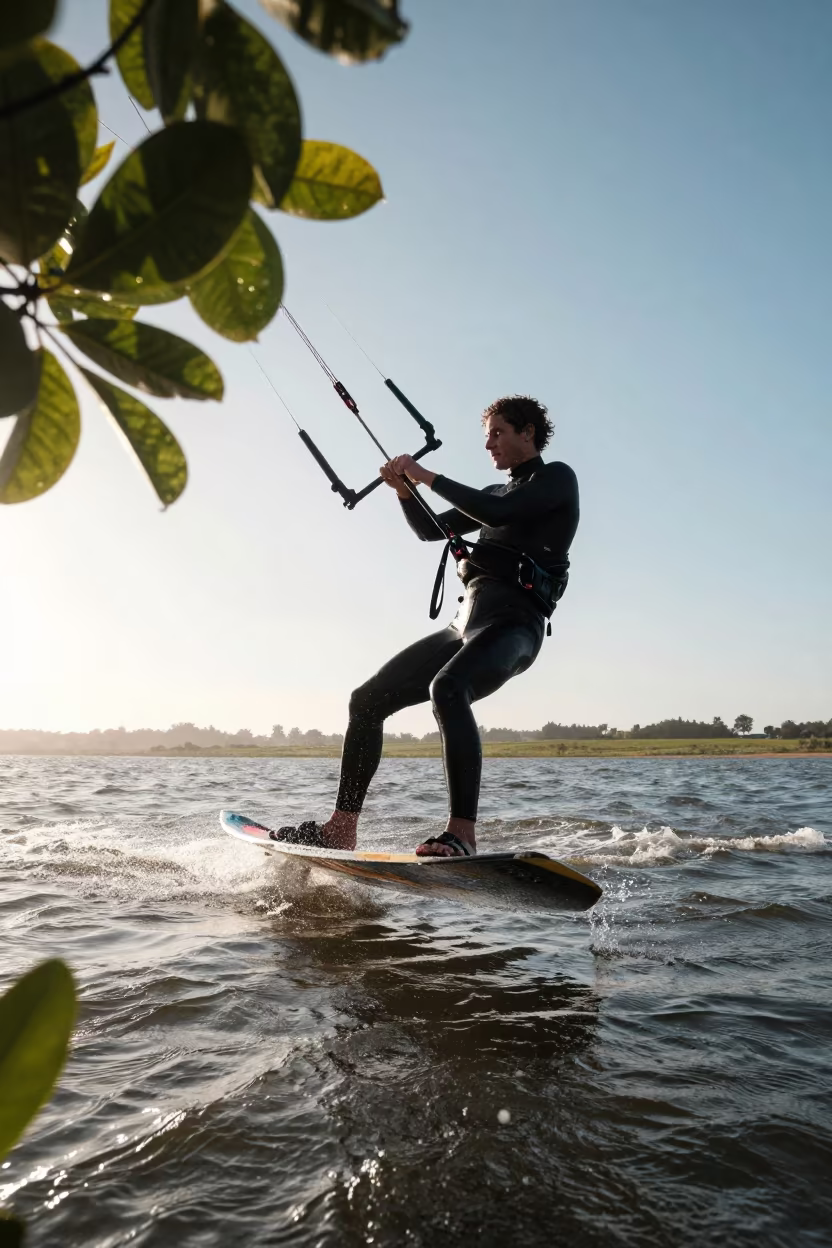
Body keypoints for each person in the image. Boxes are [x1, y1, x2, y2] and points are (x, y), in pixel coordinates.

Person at [278, 395, 580, 857]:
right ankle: (341, 828)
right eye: (487, 437)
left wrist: (423, 475)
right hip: (464, 624)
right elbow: (431, 529)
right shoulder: (494, 492)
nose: (489, 445)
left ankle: (462, 834)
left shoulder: (556, 478)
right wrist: (404, 491)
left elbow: (497, 514)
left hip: (514, 624)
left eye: (498, 433)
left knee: (449, 688)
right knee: (366, 701)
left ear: (528, 433)